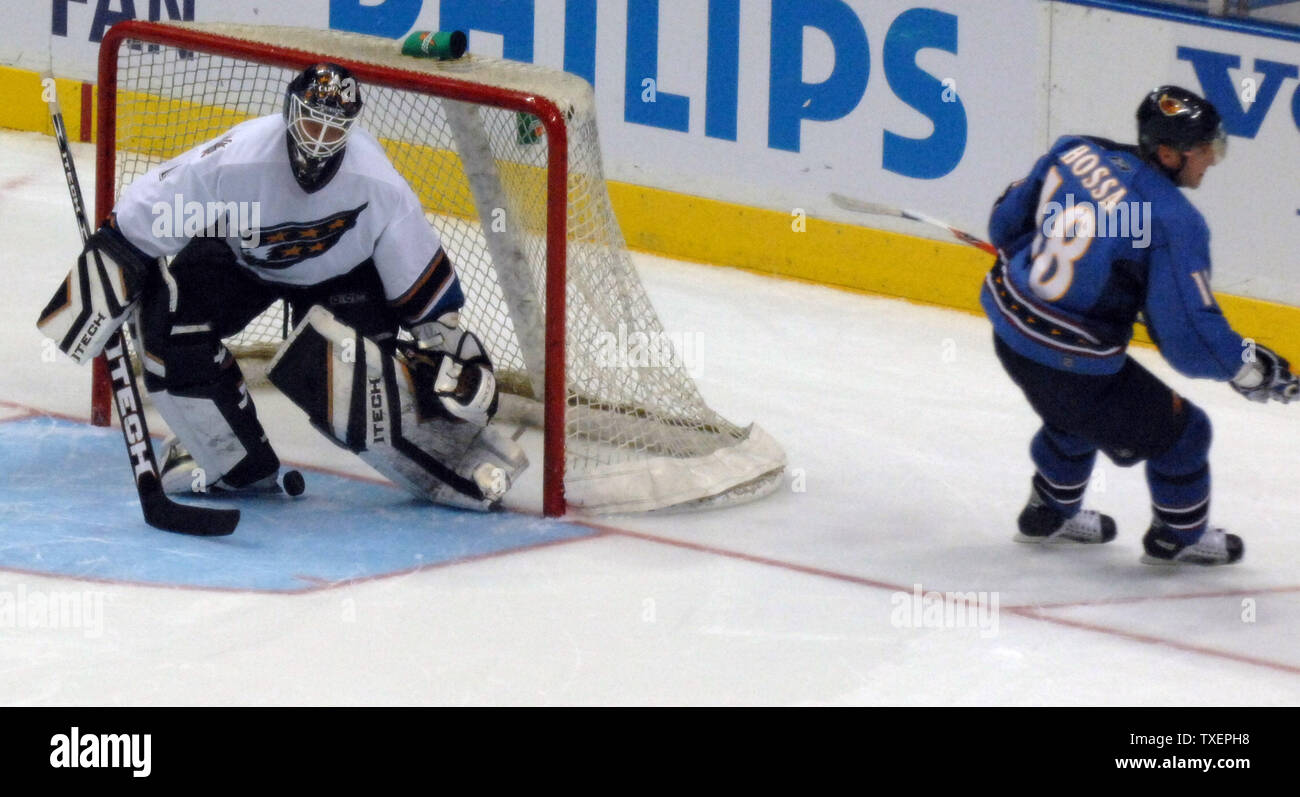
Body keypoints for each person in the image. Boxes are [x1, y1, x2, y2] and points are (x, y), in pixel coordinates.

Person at [37, 63, 526, 511]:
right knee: (169, 331)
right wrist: (113, 266)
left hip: (342, 277)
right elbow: (141, 218)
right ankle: (234, 461)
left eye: (334, 128)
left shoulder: (376, 182)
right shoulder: (236, 159)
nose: (319, 139)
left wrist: (453, 358)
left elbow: (426, 297)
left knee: (354, 379)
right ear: (290, 111)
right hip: (240, 261)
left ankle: (452, 460)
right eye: (312, 122)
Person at [981, 85, 1297, 566]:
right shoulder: (1171, 220)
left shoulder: (1076, 150)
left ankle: (1048, 510)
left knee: (1073, 416)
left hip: (1009, 331)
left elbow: (1006, 225)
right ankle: (1179, 537)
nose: (1211, 159)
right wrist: (1249, 367)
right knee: (1186, 434)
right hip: (1070, 362)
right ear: (1168, 154)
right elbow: (1187, 340)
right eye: (1204, 149)